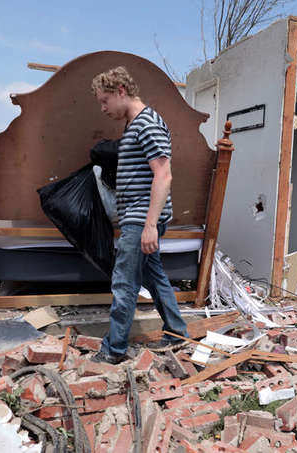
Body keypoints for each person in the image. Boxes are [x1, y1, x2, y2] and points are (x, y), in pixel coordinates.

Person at [90, 66, 189, 364]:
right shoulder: (134, 124)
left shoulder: (147, 123)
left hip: (141, 218)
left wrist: (149, 226)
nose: (103, 108)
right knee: (154, 276)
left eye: (105, 100)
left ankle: (114, 350)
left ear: (121, 90)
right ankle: (177, 331)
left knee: (124, 282)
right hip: (138, 217)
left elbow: (164, 174)